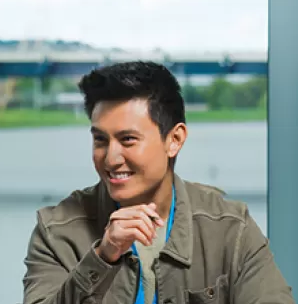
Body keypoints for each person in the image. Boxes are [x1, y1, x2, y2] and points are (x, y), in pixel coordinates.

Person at [22, 61, 293, 304]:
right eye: (100, 140)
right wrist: (102, 257)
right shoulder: (56, 231)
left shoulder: (231, 229)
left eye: (128, 139)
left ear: (174, 140)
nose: (111, 159)